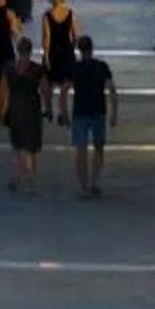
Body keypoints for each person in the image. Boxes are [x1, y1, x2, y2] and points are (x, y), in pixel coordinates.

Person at [65, 34, 118, 198]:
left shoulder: (74, 68)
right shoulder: (101, 67)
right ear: (92, 49)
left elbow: (64, 90)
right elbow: (112, 90)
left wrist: (63, 112)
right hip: (98, 111)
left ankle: (83, 184)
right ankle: (95, 181)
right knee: (99, 148)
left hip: (80, 112)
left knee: (81, 149)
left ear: (79, 50)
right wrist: (114, 113)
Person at [2, 46, 47, 194]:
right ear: (30, 51)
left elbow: (5, 91)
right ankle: (31, 181)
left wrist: (4, 111)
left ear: (18, 50)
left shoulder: (9, 68)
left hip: (15, 111)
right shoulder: (37, 70)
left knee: (17, 147)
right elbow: (45, 90)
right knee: (31, 149)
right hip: (32, 111)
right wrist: (49, 109)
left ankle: (16, 178)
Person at [38, 0, 81, 122]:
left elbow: (47, 38)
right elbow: (76, 36)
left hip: (53, 52)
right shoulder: (71, 14)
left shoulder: (47, 15)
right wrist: (72, 47)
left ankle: (49, 110)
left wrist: (46, 55)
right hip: (66, 52)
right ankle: (62, 112)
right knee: (65, 85)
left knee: (45, 82)